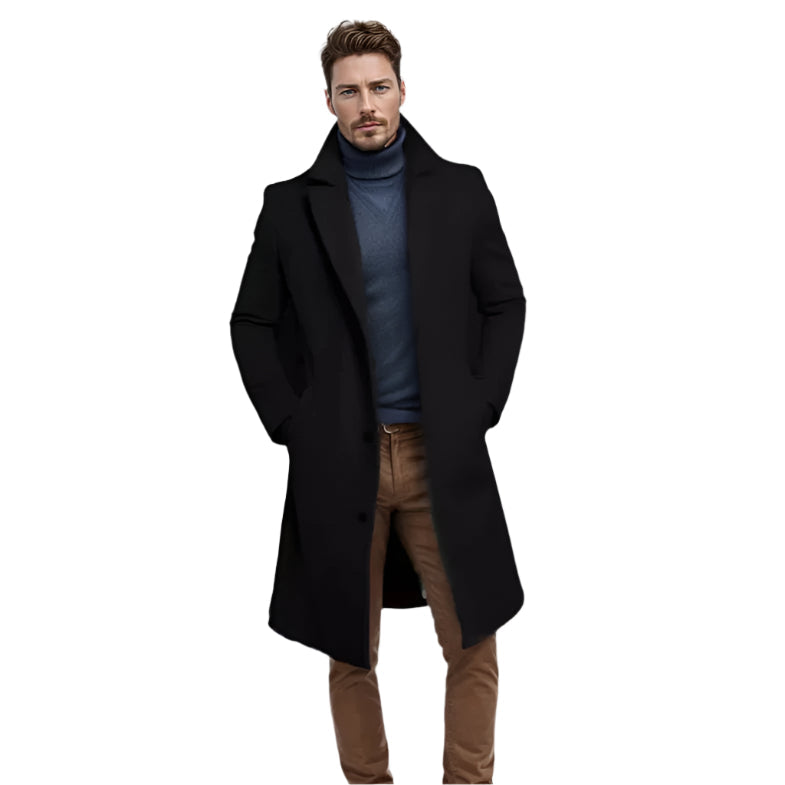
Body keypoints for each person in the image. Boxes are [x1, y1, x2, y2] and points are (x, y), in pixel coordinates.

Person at [230, 18, 526, 784]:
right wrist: (291, 423)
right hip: (339, 459)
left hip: (440, 454)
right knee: (349, 648)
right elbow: (251, 322)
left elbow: (504, 302)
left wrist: (480, 403)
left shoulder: (460, 189)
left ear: (401, 89)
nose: (366, 104)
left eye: (378, 87)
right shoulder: (290, 205)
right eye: (349, 91)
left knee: (473, 639)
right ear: (327, 99)